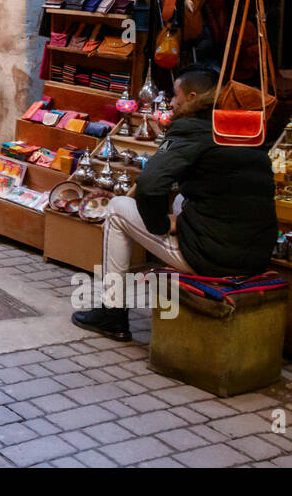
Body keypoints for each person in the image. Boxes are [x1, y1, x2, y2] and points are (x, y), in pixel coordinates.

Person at [71, 63, 278, 341]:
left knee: (118, 209)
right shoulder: (242, 129)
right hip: (256, 254)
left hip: (213, 259)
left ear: (192, 99)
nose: (171, 102)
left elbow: (149, 183)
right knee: (181, 199)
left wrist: (159, 225)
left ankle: (112, 311)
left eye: (175, 96)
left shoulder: (188, 129)